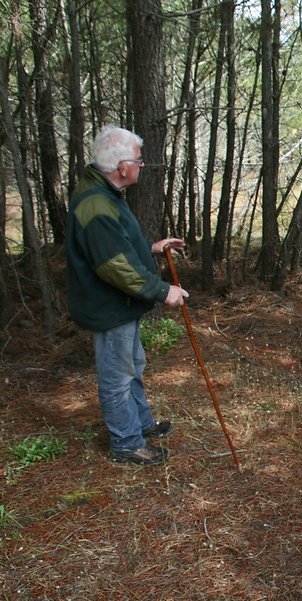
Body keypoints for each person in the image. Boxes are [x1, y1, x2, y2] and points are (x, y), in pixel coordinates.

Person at [66, 125, 189, 466]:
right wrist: (162, 290)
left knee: (132, 365)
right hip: (108, 306)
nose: (141, 165)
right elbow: (112, 265)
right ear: (122, 167)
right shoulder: (95, 203)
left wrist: (151, 247)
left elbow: (114, 246)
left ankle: (140, 424)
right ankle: (126, 442)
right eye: (138, 160)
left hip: (120, 304)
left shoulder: (104, 195)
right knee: (117, 376)